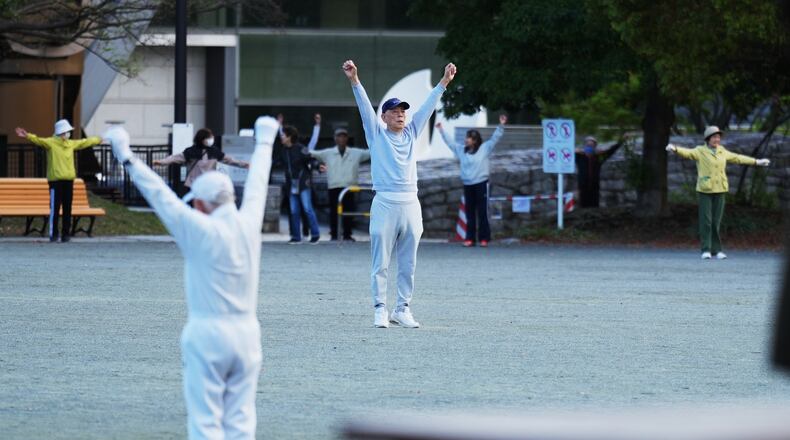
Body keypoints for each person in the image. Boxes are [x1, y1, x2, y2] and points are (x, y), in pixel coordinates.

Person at [104, 116, 279, 439]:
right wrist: (265, 141)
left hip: (208, 333)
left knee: (205, 422)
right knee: (241, 421)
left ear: (200, 202)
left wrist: (125, 155)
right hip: (247, 334)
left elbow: (159, 194)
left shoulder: (198, 229)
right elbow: (257, 184)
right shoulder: (249, 223)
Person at [343, 59, 456, 328]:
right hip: (384, 201)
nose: (400, 114)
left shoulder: (412, 132)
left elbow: (428, 108)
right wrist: (354, 80)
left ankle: (402, 308)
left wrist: (444, 82)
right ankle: (380, 308)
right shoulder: (376, 134)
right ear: (383, 117)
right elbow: (363, 109)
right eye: (394, 111)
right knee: (380, 260)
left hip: (410, 202)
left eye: (403, 111)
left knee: (409, 263)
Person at [666, 125, 770, 260]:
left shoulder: (722, 151)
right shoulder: (700, 151)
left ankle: (717, 250)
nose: (717, 139)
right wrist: (675, 149)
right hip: (705, 190)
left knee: (716, 221)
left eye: (718, 137)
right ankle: (706, 249)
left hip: (720, 189)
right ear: (708, 139)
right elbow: (687, 153)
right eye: (714, 137)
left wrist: (757, 162)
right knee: (706, 221)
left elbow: (738, 158)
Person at [15, 120, 102, 242]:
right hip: (55, 182)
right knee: (55, 208)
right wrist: (27, 135)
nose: (69, 134)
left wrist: (98, 140)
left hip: (68, 181)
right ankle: (53, 234)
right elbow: (39, 140)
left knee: (67, 208)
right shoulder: (51, 143)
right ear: (62, 132)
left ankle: (65, 234)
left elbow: (84, 142)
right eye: (67, 132)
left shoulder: (70, 144)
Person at [436, 114, 507, 247]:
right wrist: (441, 131)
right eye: (466, 137)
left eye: (469, 138)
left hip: (481, 184)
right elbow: (450, 142)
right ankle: (470, 238)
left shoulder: (484, 148)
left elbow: (495, 138)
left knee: (482, 212)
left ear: (475, 140)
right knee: (469, 213)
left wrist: (501, 125)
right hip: (468, 184)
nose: (466, 140)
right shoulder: (461, 151)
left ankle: (484, 238)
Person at [310, 127, 371, 241]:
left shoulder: (355, 153)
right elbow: (312, 153)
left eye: (343, 136)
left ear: (347, 138)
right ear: (335, 138)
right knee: (334, 212)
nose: (341, 138)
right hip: (334, 186)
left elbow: (371, 152)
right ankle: (334, 234)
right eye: (339, 136)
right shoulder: (328, 153)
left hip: (350, 187)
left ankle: (347, 234)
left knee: (349, 211)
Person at [153, 128, 249, 191]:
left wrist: (244, 164)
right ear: (202, 139)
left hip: (208, 185)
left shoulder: (214, 151)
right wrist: (161, 162)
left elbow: (229, 160)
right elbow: (175, 158)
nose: (212, 139)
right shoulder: (191, 151)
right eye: (209, 137)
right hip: (194, 187)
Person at [277, 113, 321, 239]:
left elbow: (311, 159)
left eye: (283, 135)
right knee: (294, 210)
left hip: (303, 183)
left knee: (307, 209)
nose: (281, 138)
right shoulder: (283, 151)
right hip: (291, 184)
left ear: (289, 137)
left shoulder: (300, 149)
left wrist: (318, 166)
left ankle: (315, 234)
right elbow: (275, 161)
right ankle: (296, 236)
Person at [574, 135, 624, 208]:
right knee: (583, 207)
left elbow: (611, 150)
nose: (589, 147)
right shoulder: (579, 157)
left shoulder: (598, 157)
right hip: (582, 187)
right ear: (584, 146)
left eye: (592, 145)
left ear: (594, 147)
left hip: (594, 187)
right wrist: (577, 150)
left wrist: (621, 141)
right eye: (588, 145)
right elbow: (567, 151)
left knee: (594, 206)